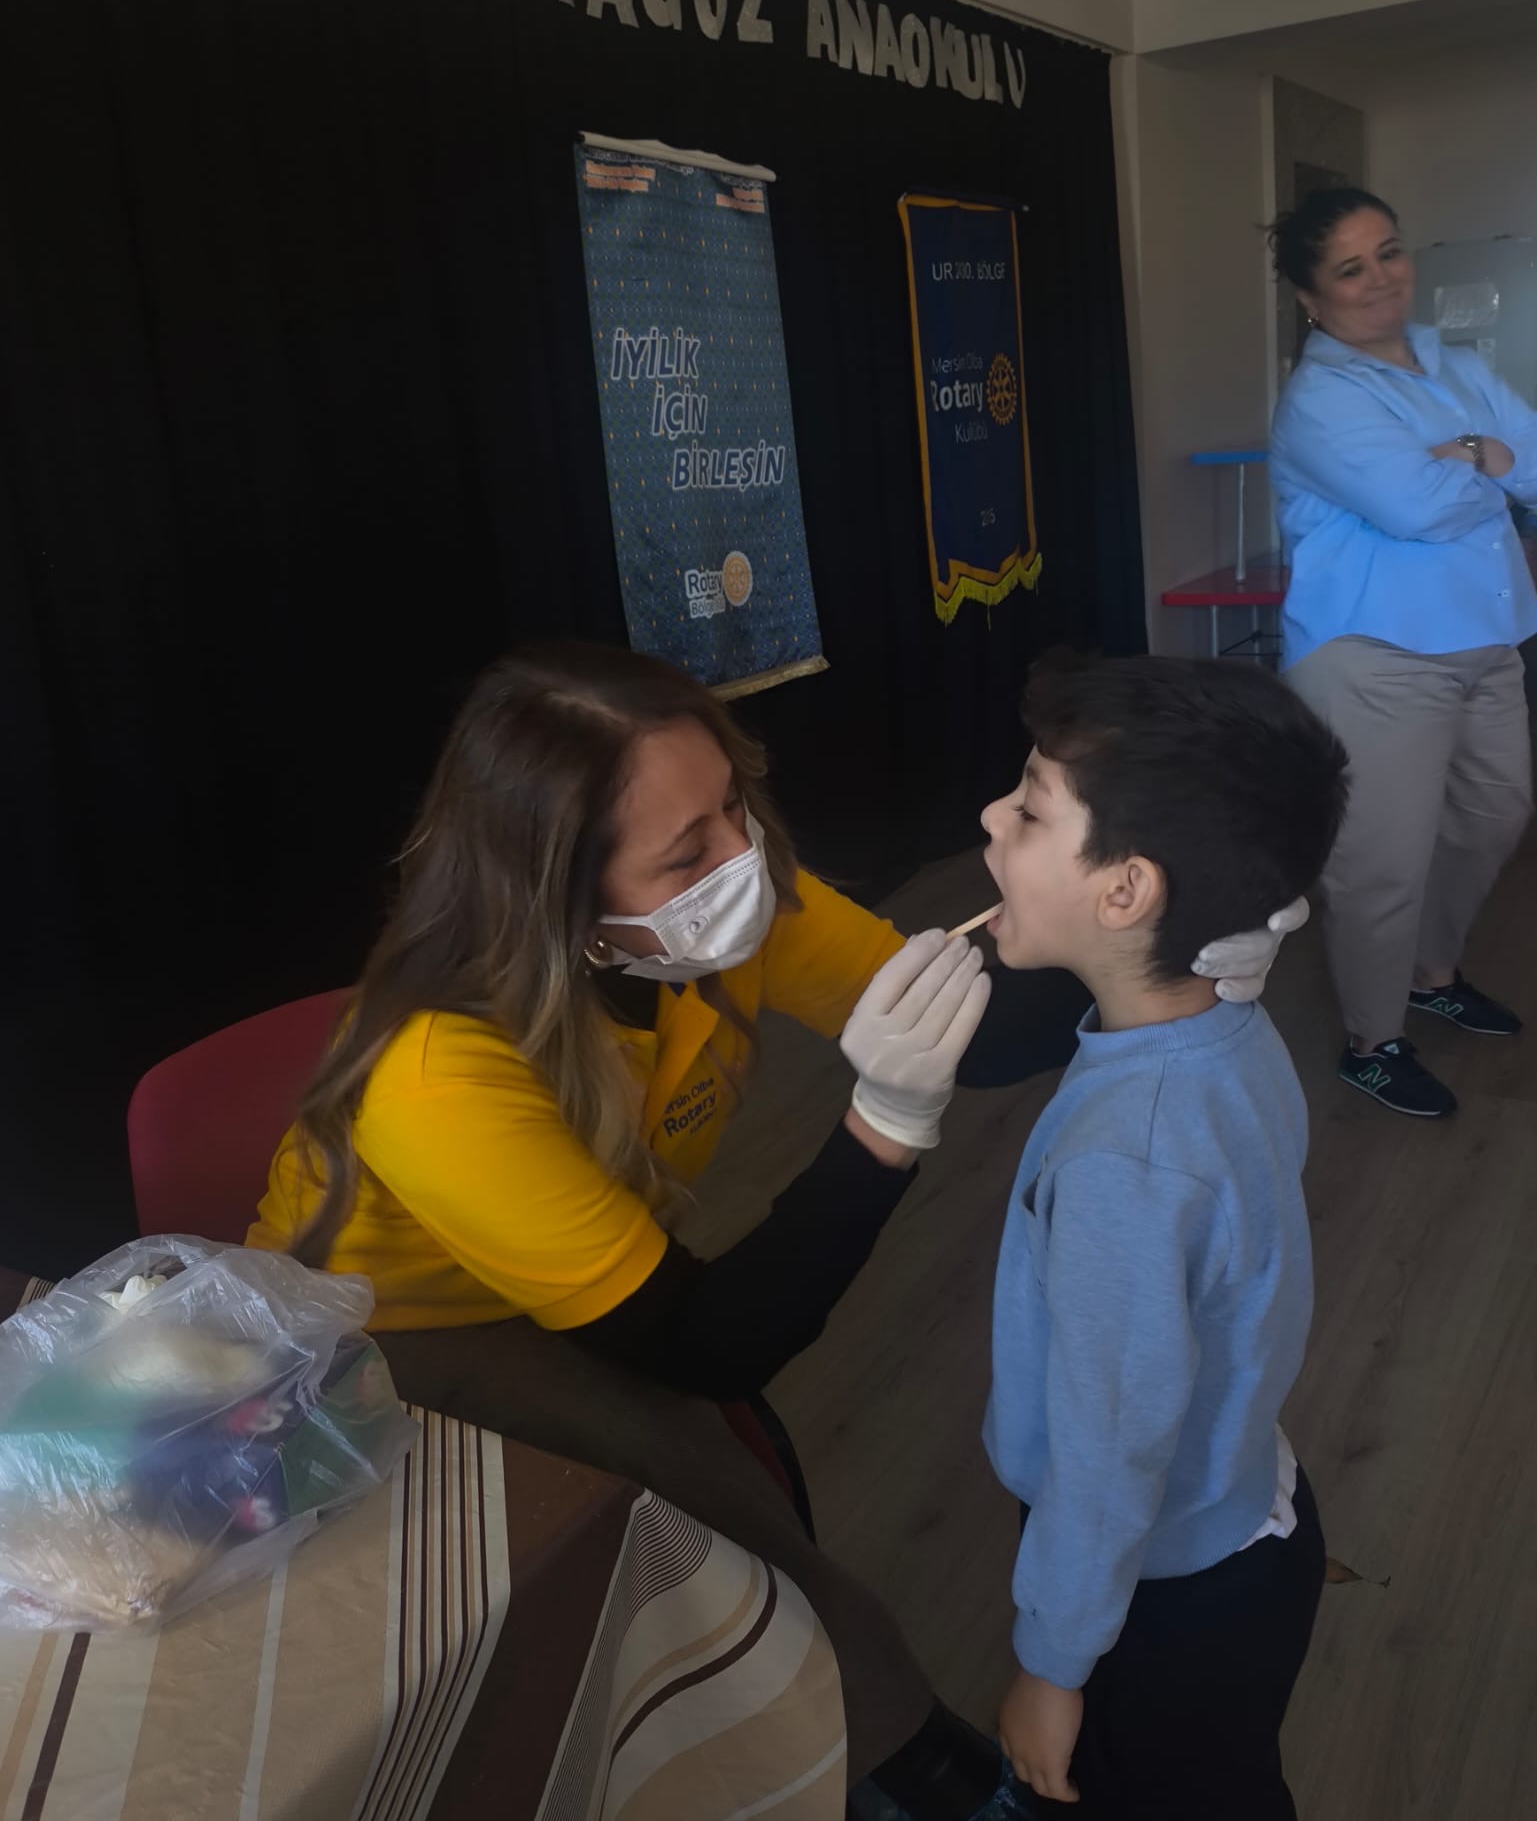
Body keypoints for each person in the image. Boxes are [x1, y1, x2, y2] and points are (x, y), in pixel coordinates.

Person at [246, 642, 1299, 1821]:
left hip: (616, 1284)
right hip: (395, 1336)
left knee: (723, 1497)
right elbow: (705, 1344)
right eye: (686, 850)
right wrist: (883, 1123)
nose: (741, 858)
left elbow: (991, 1029)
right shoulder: (435, 1072)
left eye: (732, 806)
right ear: (561, 898)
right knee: (712, 1511)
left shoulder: (729, 910)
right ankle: (900, 1764)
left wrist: (1186, 936)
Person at [977, 652, 1348, 1820]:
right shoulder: (1229, 1031)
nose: (990, 817)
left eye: (1030, 807)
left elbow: (1108, 1448)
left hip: (1163, 1594)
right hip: (1245, 1509)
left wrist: (1051, 1663)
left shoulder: (1125, 1159)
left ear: (1127, 890)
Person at [1268, 186, 1537, 1118]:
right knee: (1380, 859)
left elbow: (1529, 461)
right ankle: (1371, 1041)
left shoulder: (1450, 362)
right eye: (1350, 268)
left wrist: (1474, 457)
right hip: (1373, 655)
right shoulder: (1320, 398)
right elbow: (1416, 508)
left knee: (1494, 814)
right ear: (1311, 298)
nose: (1380, 277)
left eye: (1387, 251)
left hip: (1486, 639)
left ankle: (1430, 973)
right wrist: (1490, 463)